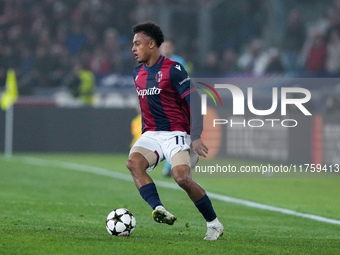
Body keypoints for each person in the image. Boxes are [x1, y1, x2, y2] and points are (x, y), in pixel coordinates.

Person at [126, 22, 223, 240]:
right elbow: (147, 106)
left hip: (177, 133)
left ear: (151, 45)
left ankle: (214, 224)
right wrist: (143, 136)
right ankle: (158, 208)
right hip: (152, 134)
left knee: (181, 178)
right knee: (133, 163)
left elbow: (195, 100)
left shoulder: (173, 69)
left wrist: (196, 136)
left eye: (137, 44)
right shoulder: (137, 73)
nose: (133, 48)